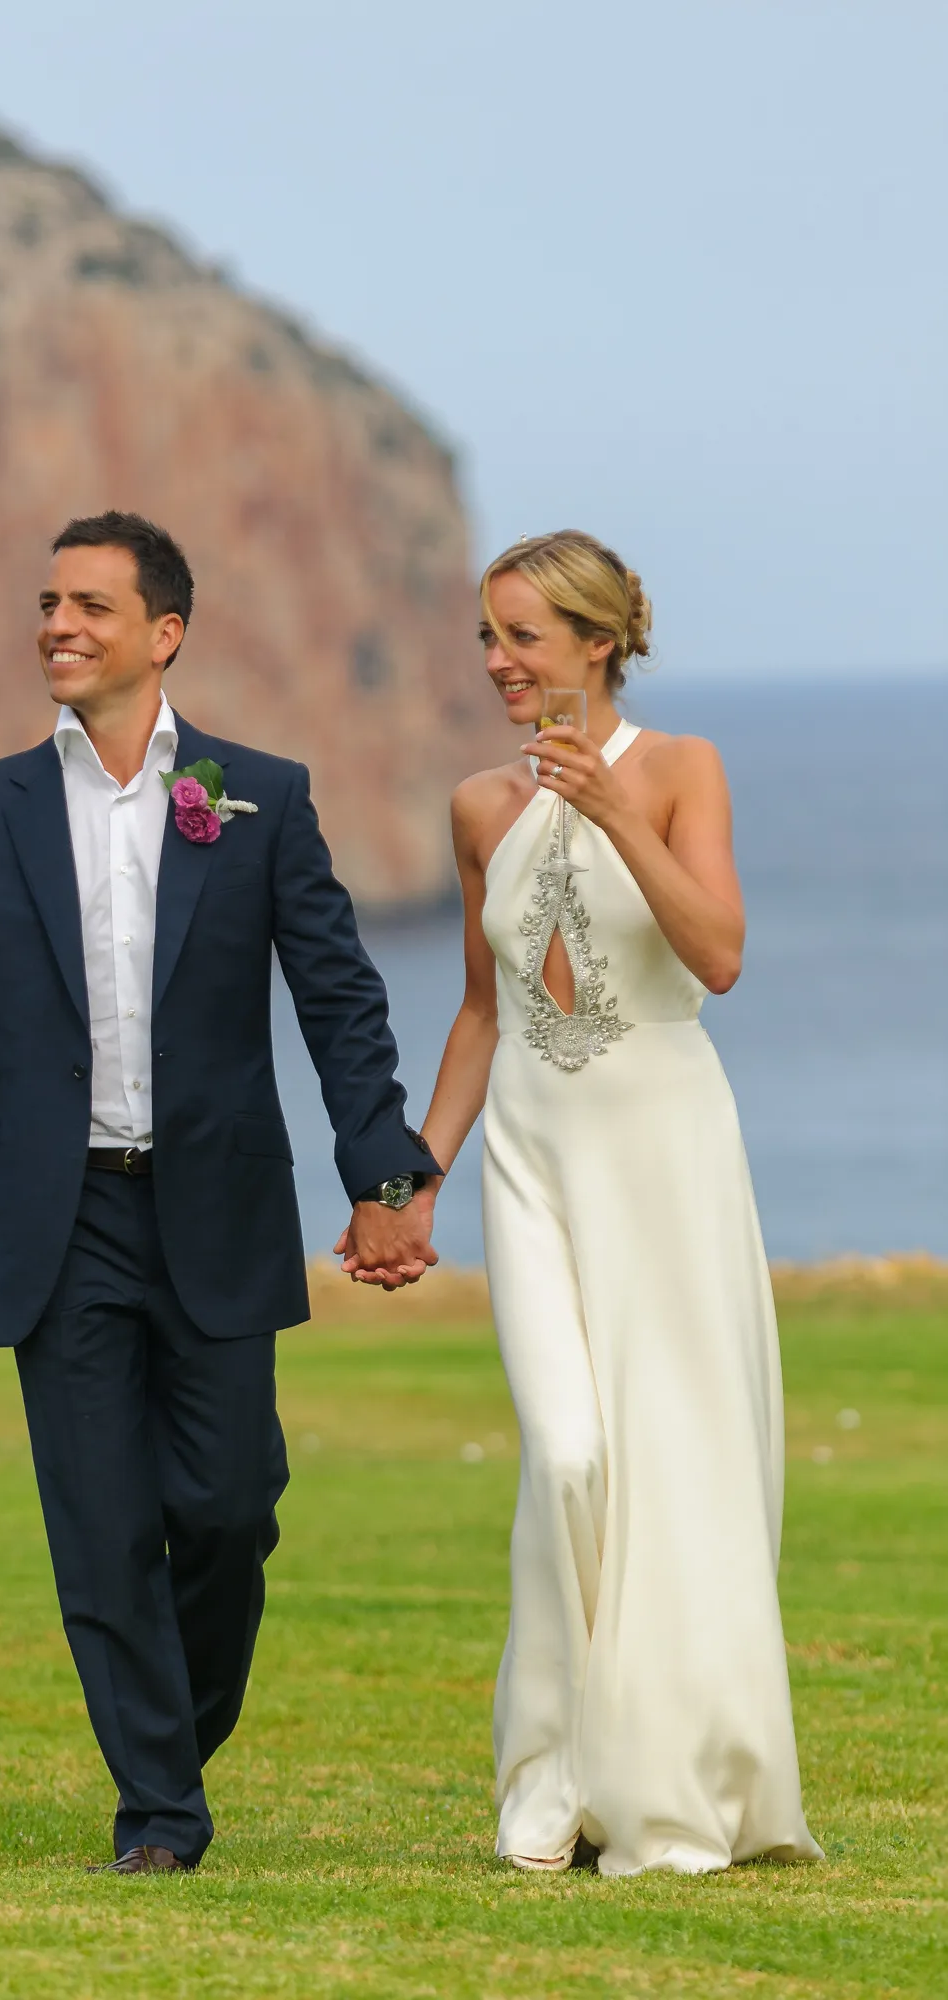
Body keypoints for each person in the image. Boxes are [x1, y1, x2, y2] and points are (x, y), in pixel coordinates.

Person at [0, 511, 437, 1873]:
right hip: (56, 1220)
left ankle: (169, 1737)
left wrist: (387, 1174)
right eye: (47, 604)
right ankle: (160, 1813)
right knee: (103, 1533)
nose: (58, 625)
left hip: (214, 1208)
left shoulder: (257, 793)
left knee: (226, 1512)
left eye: (90, 605)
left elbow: (338, 1003)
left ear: (164, 634)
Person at [412, 530, 821, 1876]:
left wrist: (612, 812)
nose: (497, 661)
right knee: (572, 1454)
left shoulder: (682, 770)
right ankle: (550, 1775)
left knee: (677, 1470)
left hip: (667, 1158)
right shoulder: (477, 807)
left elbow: (720, 953)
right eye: (488, 635)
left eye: (522, 635)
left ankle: (657, 1783)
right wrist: (411, 1181)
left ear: (598, 642)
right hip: (534, 1162)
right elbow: (482, 1010)